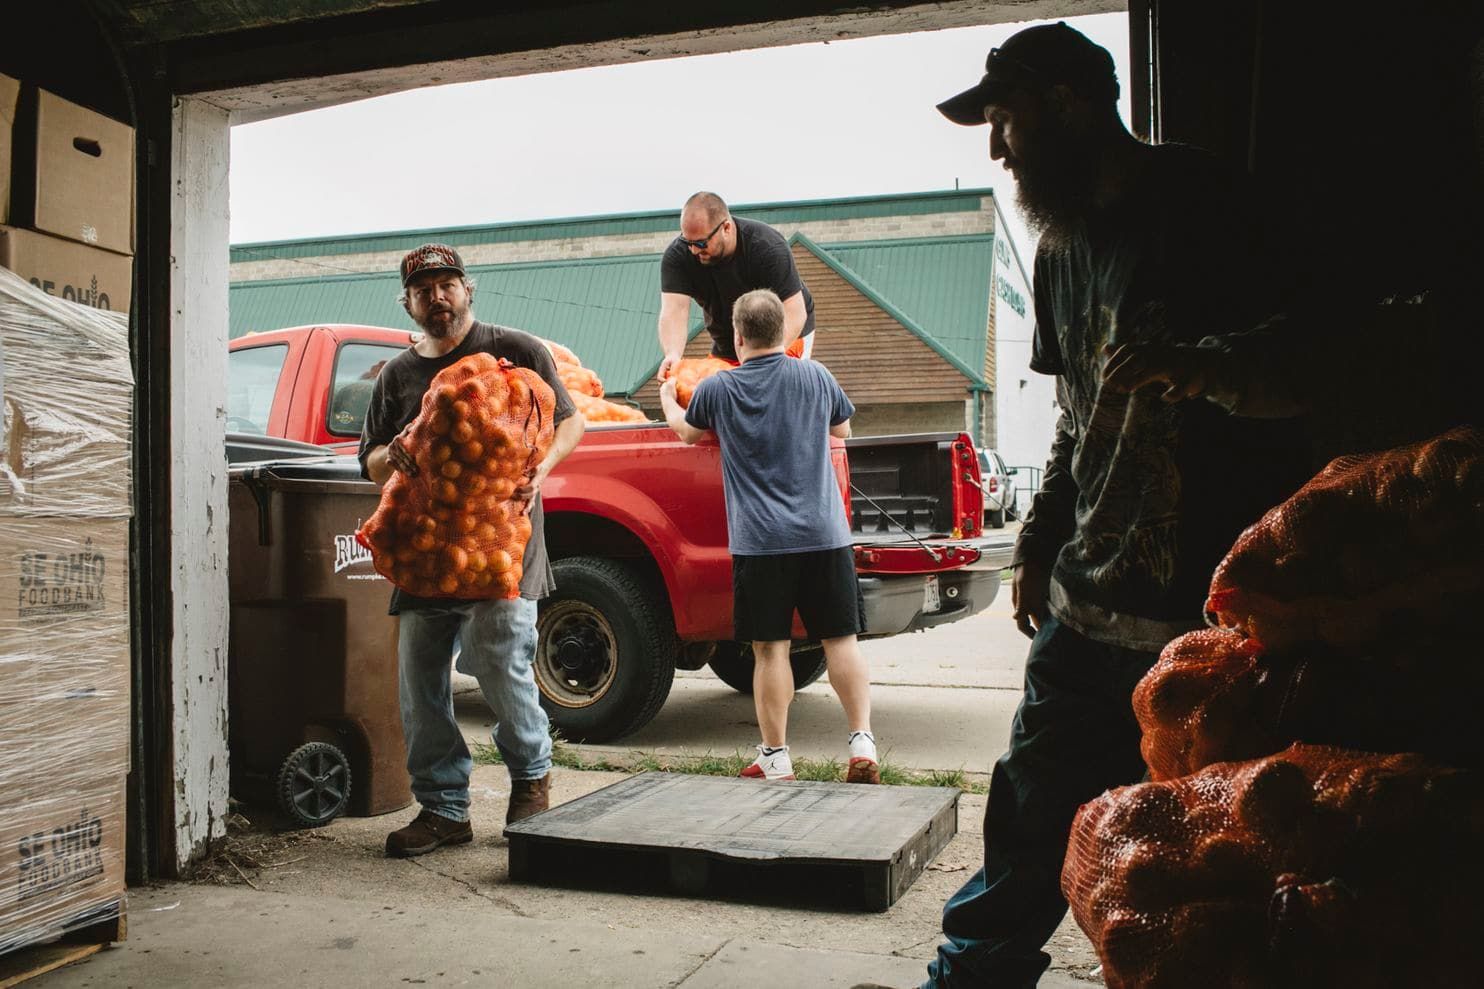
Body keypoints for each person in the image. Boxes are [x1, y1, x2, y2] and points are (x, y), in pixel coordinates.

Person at [921, 22, 1308, 987]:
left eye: (1005, 120)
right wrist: (1044, 534)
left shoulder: (1211, 204)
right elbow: (1075, 416)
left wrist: (1200, 369)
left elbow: (1312, 372)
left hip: (1207, 617)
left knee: (1201, 863)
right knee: (1029, 814)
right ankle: (972, 975)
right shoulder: (1057, 251)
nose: (996, 148)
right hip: (1087, 603)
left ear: (1069, 106)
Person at [359, 243, 585, 858]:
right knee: (420, 683)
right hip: (426, 551)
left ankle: (531, 782)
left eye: (447, 284)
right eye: (423, 289)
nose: (437, 297)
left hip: (499, 549)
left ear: (468, 288)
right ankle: (443, 810)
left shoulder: (518, 352)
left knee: (502, 667)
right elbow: (370, 461)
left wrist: (542, 468)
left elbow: (570, 421)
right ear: (407, 301)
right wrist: (392, 457)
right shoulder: (398, 377)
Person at [657, 288, 878, 784]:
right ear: (784, 333)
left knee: (771, 649)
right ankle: (862, 742)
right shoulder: (816, 376)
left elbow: (688, 434)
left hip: (762, 543)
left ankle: (776, 759)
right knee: (840, 640)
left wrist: (670, 399)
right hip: (825, 535)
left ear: (738, 336)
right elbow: (842, 429)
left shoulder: (719, 389)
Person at [656, 191, 816, 381]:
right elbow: (674, 310)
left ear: (726, 228)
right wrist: (673, 354)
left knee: (769, 394)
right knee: (713, 396)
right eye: (687, 241)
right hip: (728, 342)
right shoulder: (678, 256)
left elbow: (794, 312)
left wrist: (765, 360)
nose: (693, 250)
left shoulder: (767, 247)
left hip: (784, 336)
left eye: (701, 243)